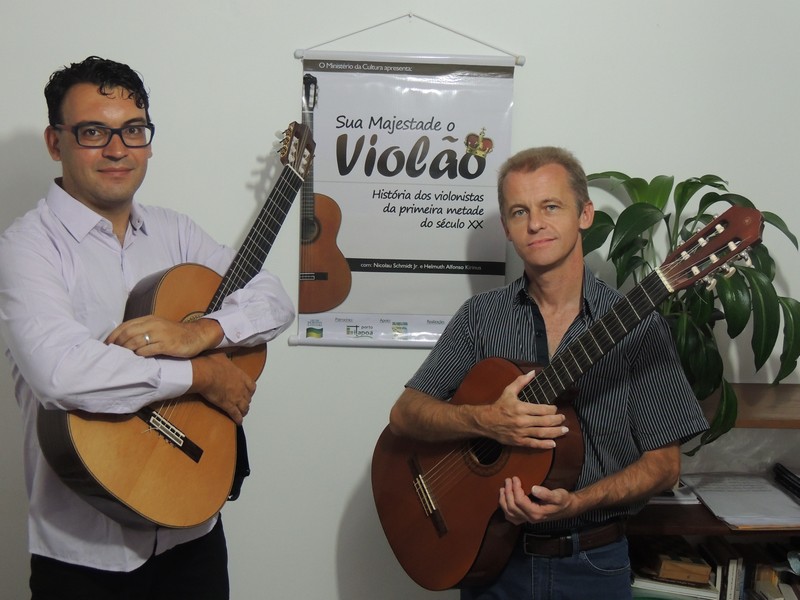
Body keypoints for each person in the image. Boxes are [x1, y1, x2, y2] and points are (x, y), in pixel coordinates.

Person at [0, 56, 295, 599]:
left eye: (133, 131)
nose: (118, 149)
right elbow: (60, 373)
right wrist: (201, 376)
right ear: (54, 141)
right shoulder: (27, 247)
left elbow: (273, 298)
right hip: (84, 551)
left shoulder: (175, 233)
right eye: (94, 132)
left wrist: (201, 333)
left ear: (149, 142)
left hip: (194, 533)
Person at [388, 146, 708, 600]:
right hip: (491, 560)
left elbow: (664, 466)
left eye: (550, 206)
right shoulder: (481, 317)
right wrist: (482, 420)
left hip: (592, 565)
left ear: (585, 214)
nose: (535, 223)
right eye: (520, 211)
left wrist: (578, 503)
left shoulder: (639, 325)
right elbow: (405, 414)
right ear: (507, 228)